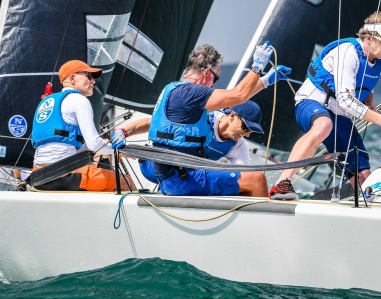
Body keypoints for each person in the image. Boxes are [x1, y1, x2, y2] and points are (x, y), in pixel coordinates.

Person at [114, 43, 290, 197]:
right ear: (206, 72)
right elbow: (237, 96)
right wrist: (257, 67)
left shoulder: (178, 91)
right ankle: (257, 232)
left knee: (244, 179)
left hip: (176, 175)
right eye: (216, 78)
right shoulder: (191, 93)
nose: (213, 85)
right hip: (183, 178)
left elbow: (236, 103)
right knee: (257, 179)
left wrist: (267, 80)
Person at [269, 11, 381, 201]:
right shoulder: (348, 52)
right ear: (369, 38)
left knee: (363, 176)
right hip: (311, 103)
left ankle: (357, 202)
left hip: (340, 116)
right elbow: (345, 99)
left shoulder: (378, 65)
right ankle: (281, 184)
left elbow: (365, 86)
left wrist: (370, 106)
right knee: (324, 125)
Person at [116, 100, 268, 192]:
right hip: (152, 165)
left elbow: (244, 177)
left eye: (251, 131)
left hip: (187, 174)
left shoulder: (237, 146)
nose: (247, 134)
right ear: (233, 115)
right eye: (246, 128)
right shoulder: (203, 118)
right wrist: (123, 132)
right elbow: (153, 123)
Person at [29, 60, 133, 191]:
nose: (93, 81)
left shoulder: (46, 102)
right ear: (72, 78)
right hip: (65, 175)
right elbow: (94, 145)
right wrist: (120, 150)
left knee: (97, 173)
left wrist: (106, 147)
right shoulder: (79, 100)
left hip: (39, 176)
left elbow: (74, 146)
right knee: (125, 181)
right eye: (89, 76)